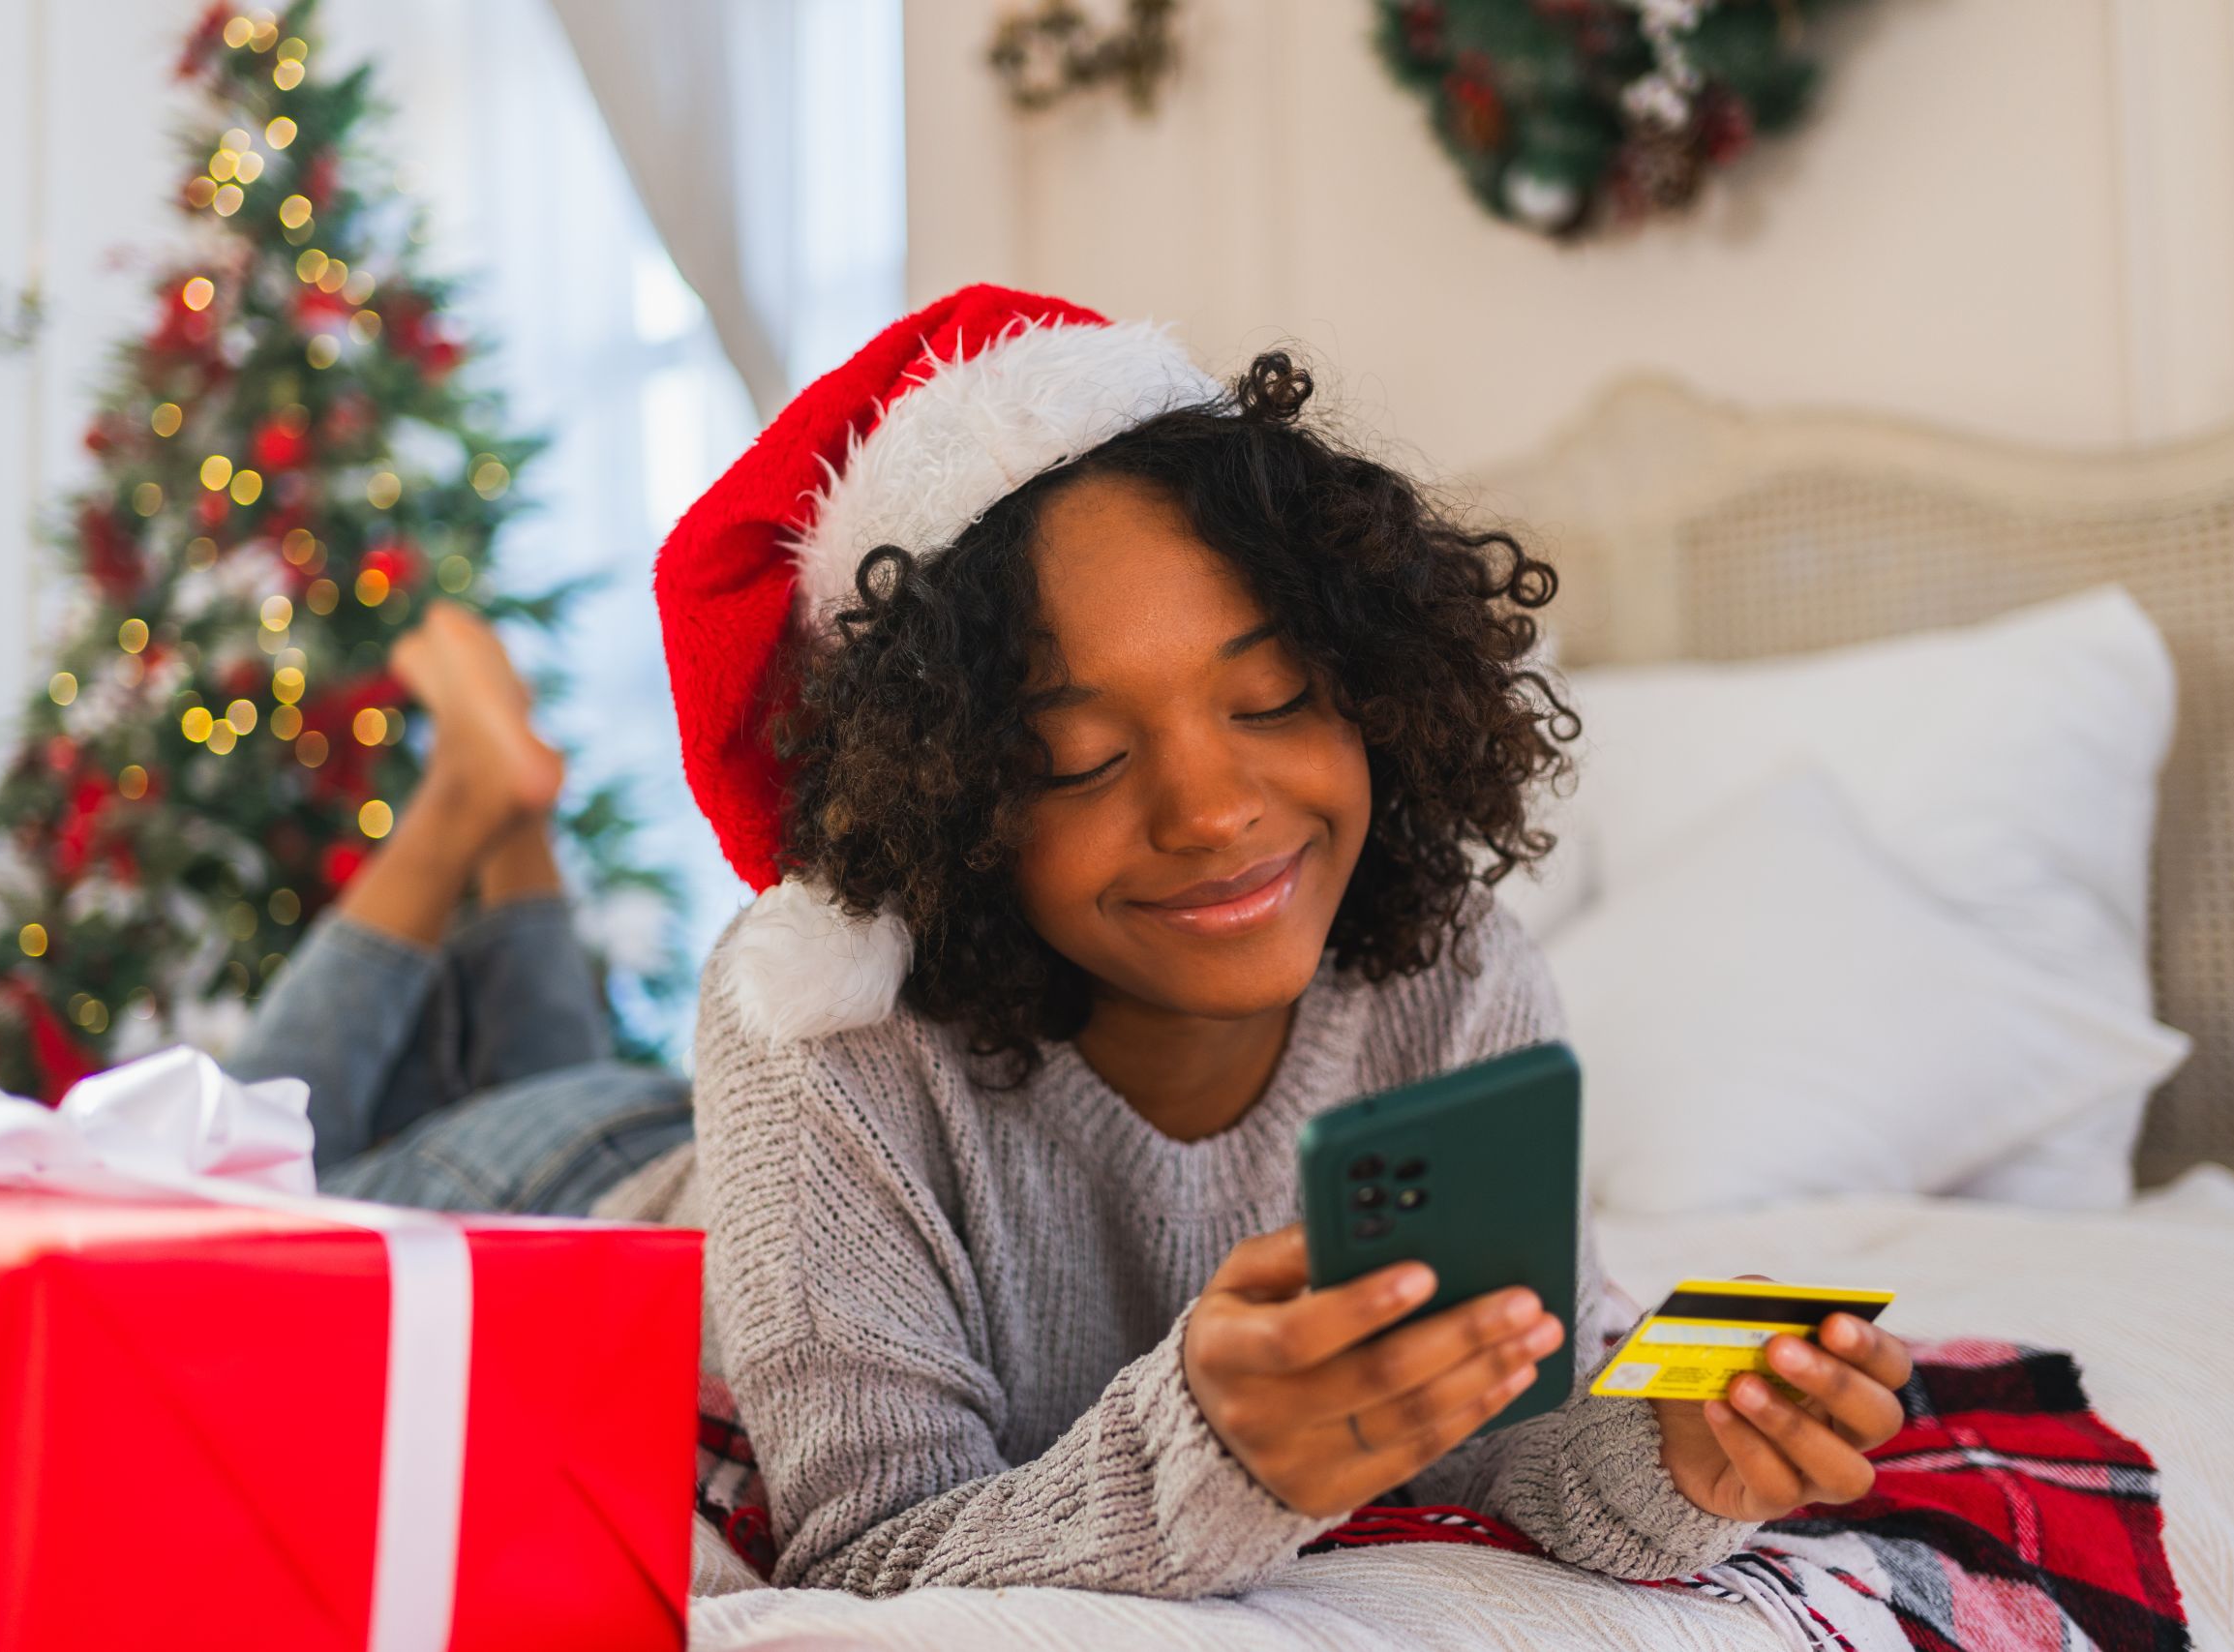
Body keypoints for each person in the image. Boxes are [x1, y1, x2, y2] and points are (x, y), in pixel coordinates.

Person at [610, 285, 1917, 1601]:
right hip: (604, 1173)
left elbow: (1494, 1442)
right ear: (951, 801)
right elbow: (867, 1562)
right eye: (1082, 752)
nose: (1217, 809)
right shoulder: (817, 1034)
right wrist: (1217, 1458)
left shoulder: (1454, 980)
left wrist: (1680, 1456)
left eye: (1276, 693)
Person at [224, 601, 691, 1213]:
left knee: (225, 1186)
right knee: (228, 1169)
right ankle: (480, 788)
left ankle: (479, 792)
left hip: (650, 1141)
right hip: (647, 1152)